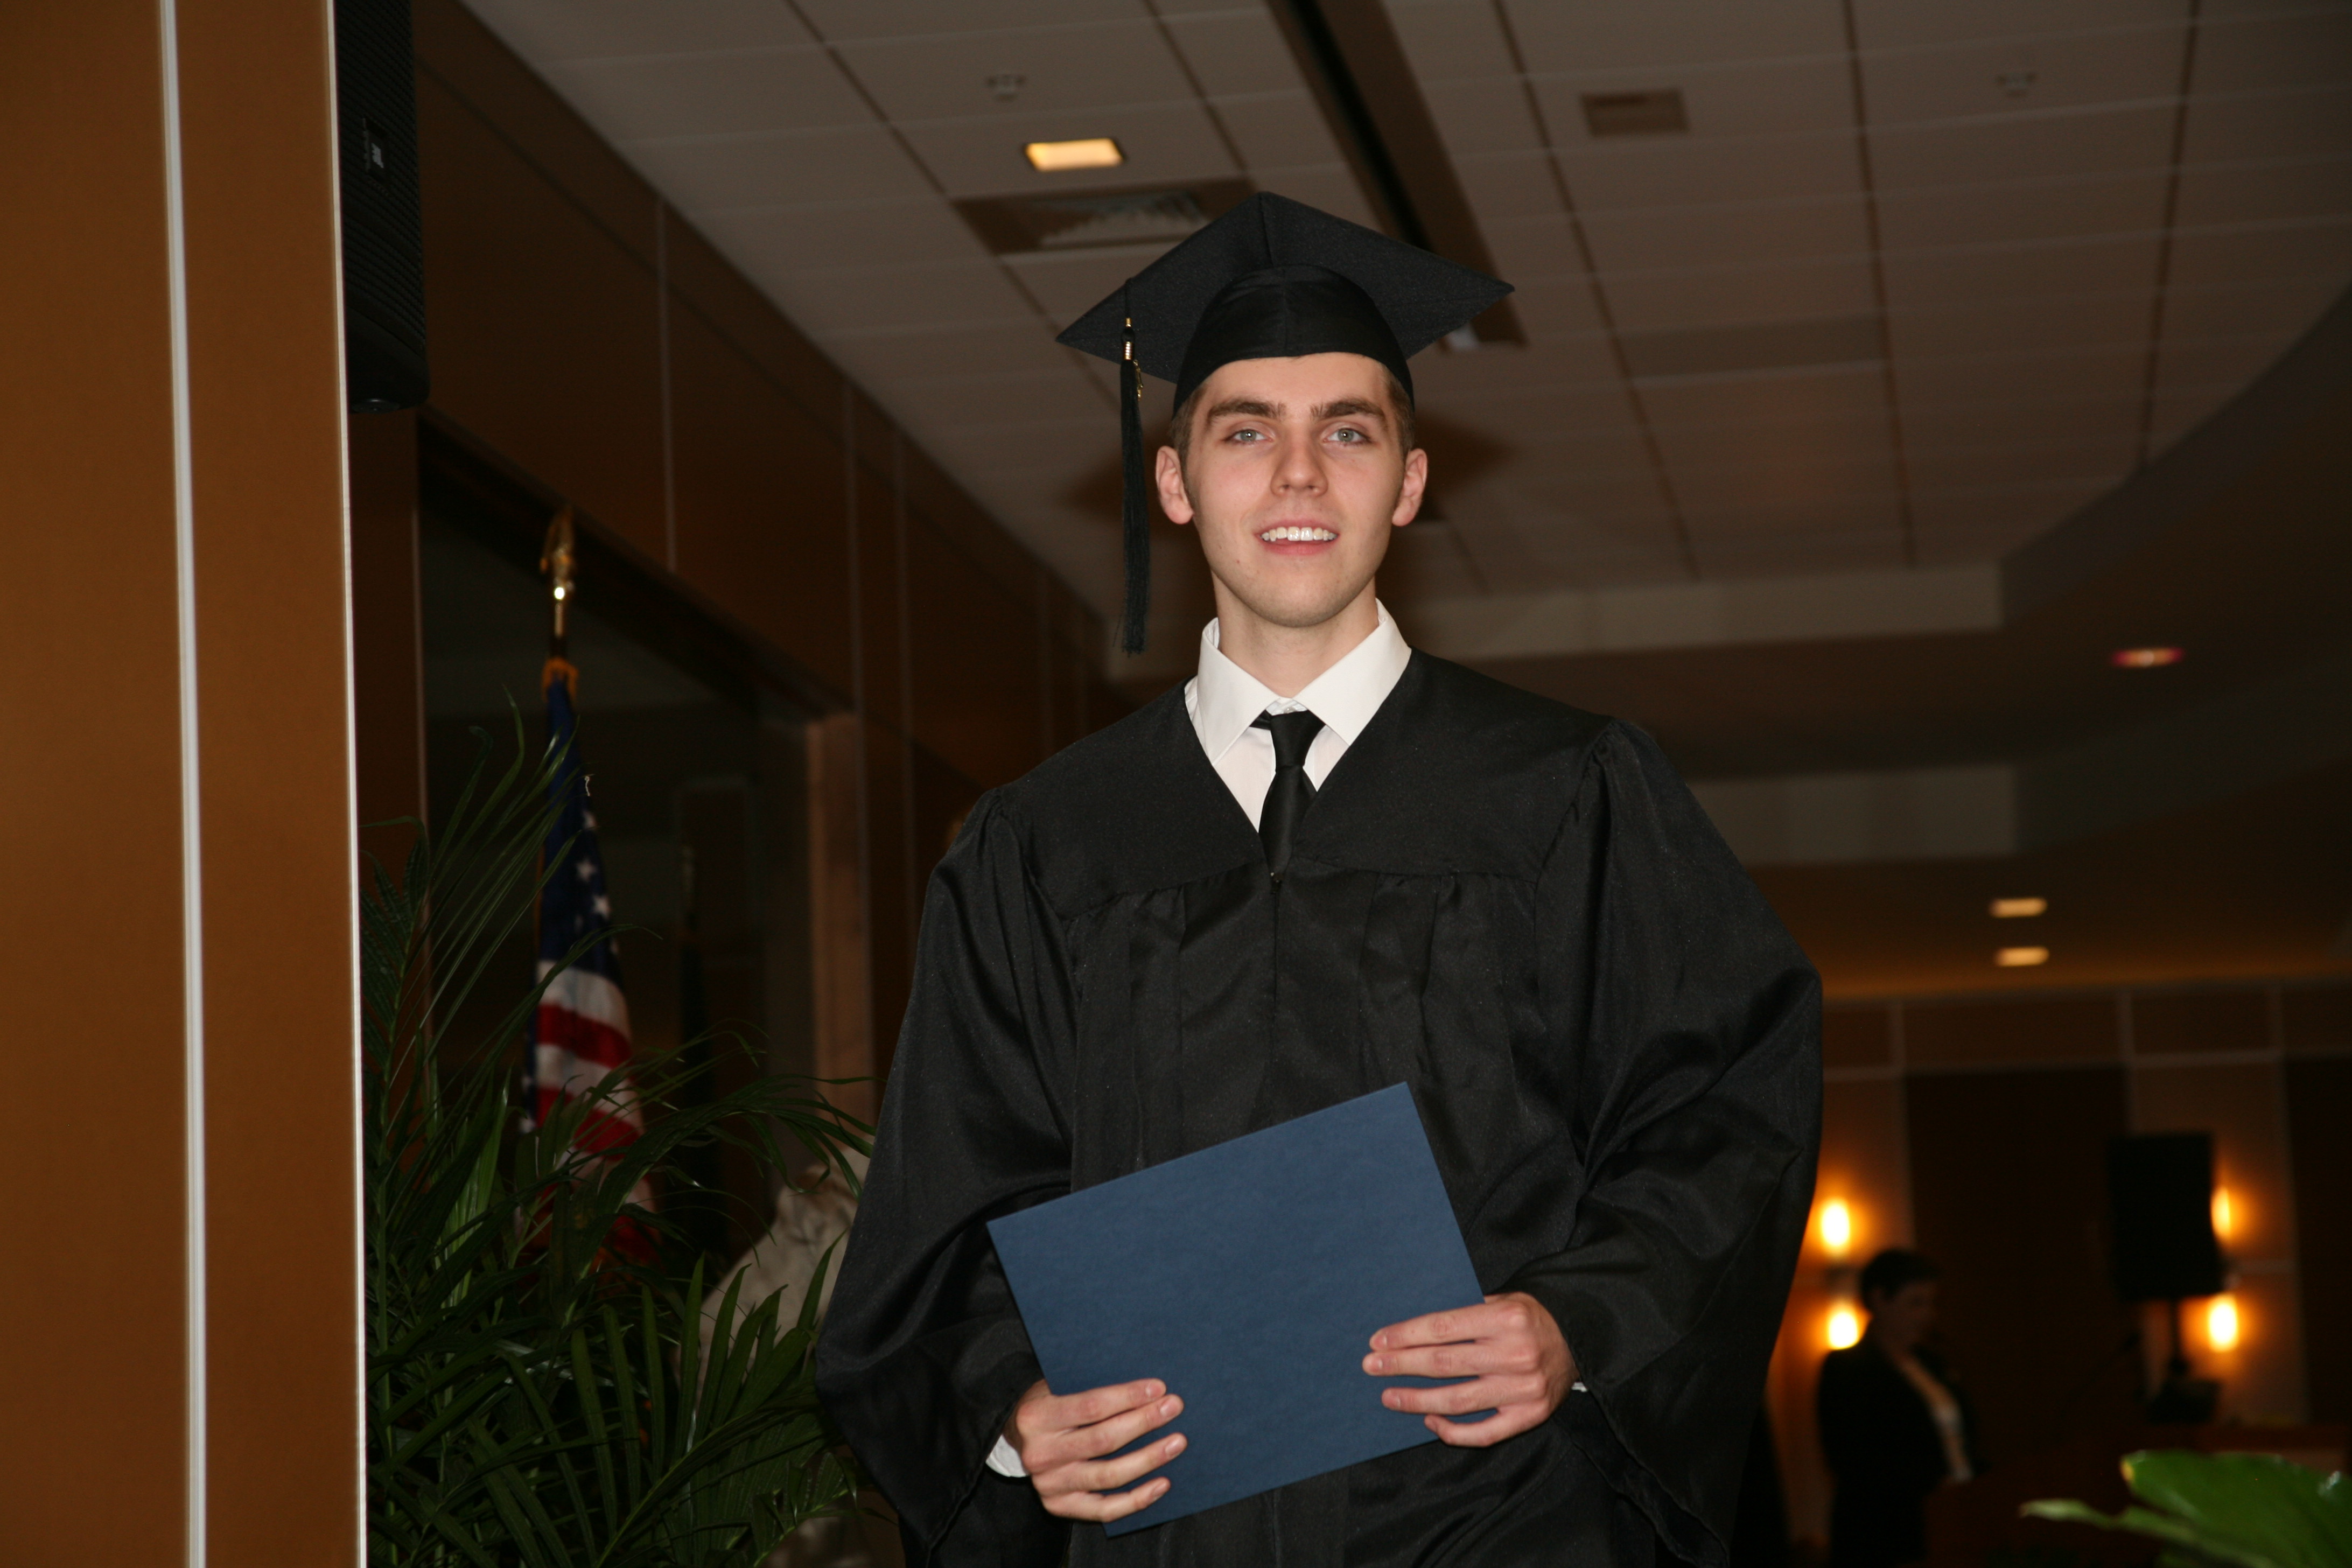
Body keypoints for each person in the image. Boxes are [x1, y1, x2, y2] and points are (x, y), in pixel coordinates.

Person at [813, 193, 1822, 1567]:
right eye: (1246, 432)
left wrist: (1579, 1325)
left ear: (1407, 483)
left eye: (1348, 431)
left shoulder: (1565, 793)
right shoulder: (1047, 845)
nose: (1299, 479)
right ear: (1174, 483)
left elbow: (1727, 1105)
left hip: (1502, 1528)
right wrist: (1007, 1407)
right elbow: (952, 1202)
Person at [1817, 1250, 1980, 1568]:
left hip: (1953, 1522)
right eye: (1916, 1303)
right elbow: (1850, 1457)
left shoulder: (1934, 1363)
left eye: (1932, 1303)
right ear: (1879, 1300)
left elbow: (1963, 1440)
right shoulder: (1848, 1369)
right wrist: (1932, 1488)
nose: (1928, 1314)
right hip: (1889, 1535)